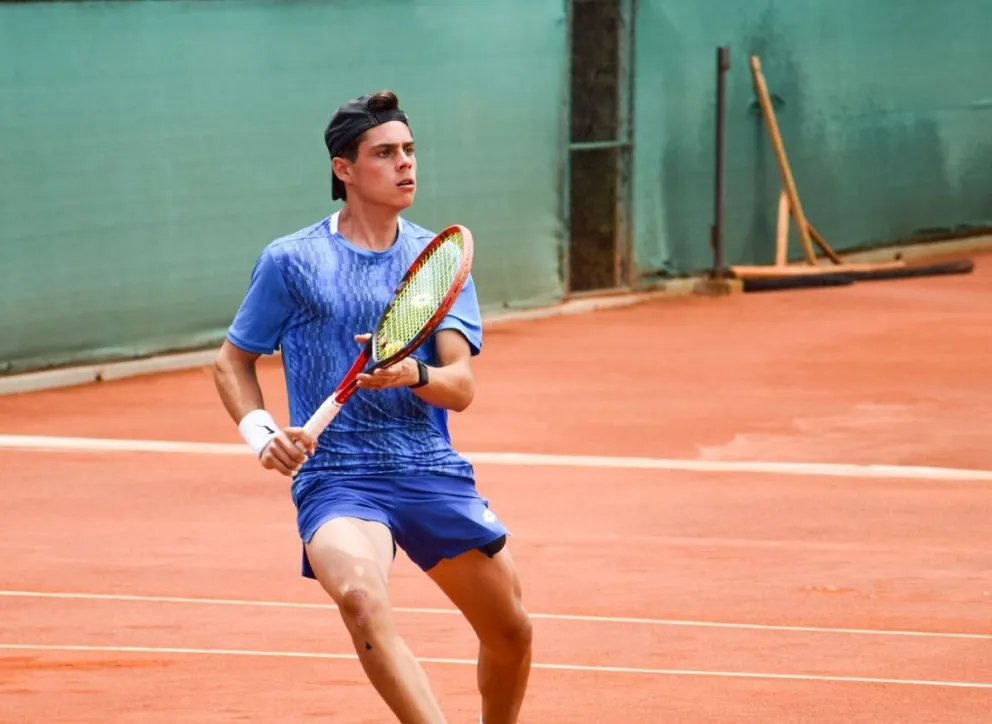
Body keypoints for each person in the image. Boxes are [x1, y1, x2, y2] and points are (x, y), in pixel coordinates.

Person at [212, 89, 532, 724]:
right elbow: (232, 362)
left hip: (427, 466)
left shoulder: (436, 262)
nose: (405, 163)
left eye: (409, 150)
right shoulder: (291, 261)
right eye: (385, 153)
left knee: (511, 632)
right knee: (360, 598)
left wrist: (413, 374)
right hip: (336, 477)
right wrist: (262, 433)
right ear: (345, 169)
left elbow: (460, 388)